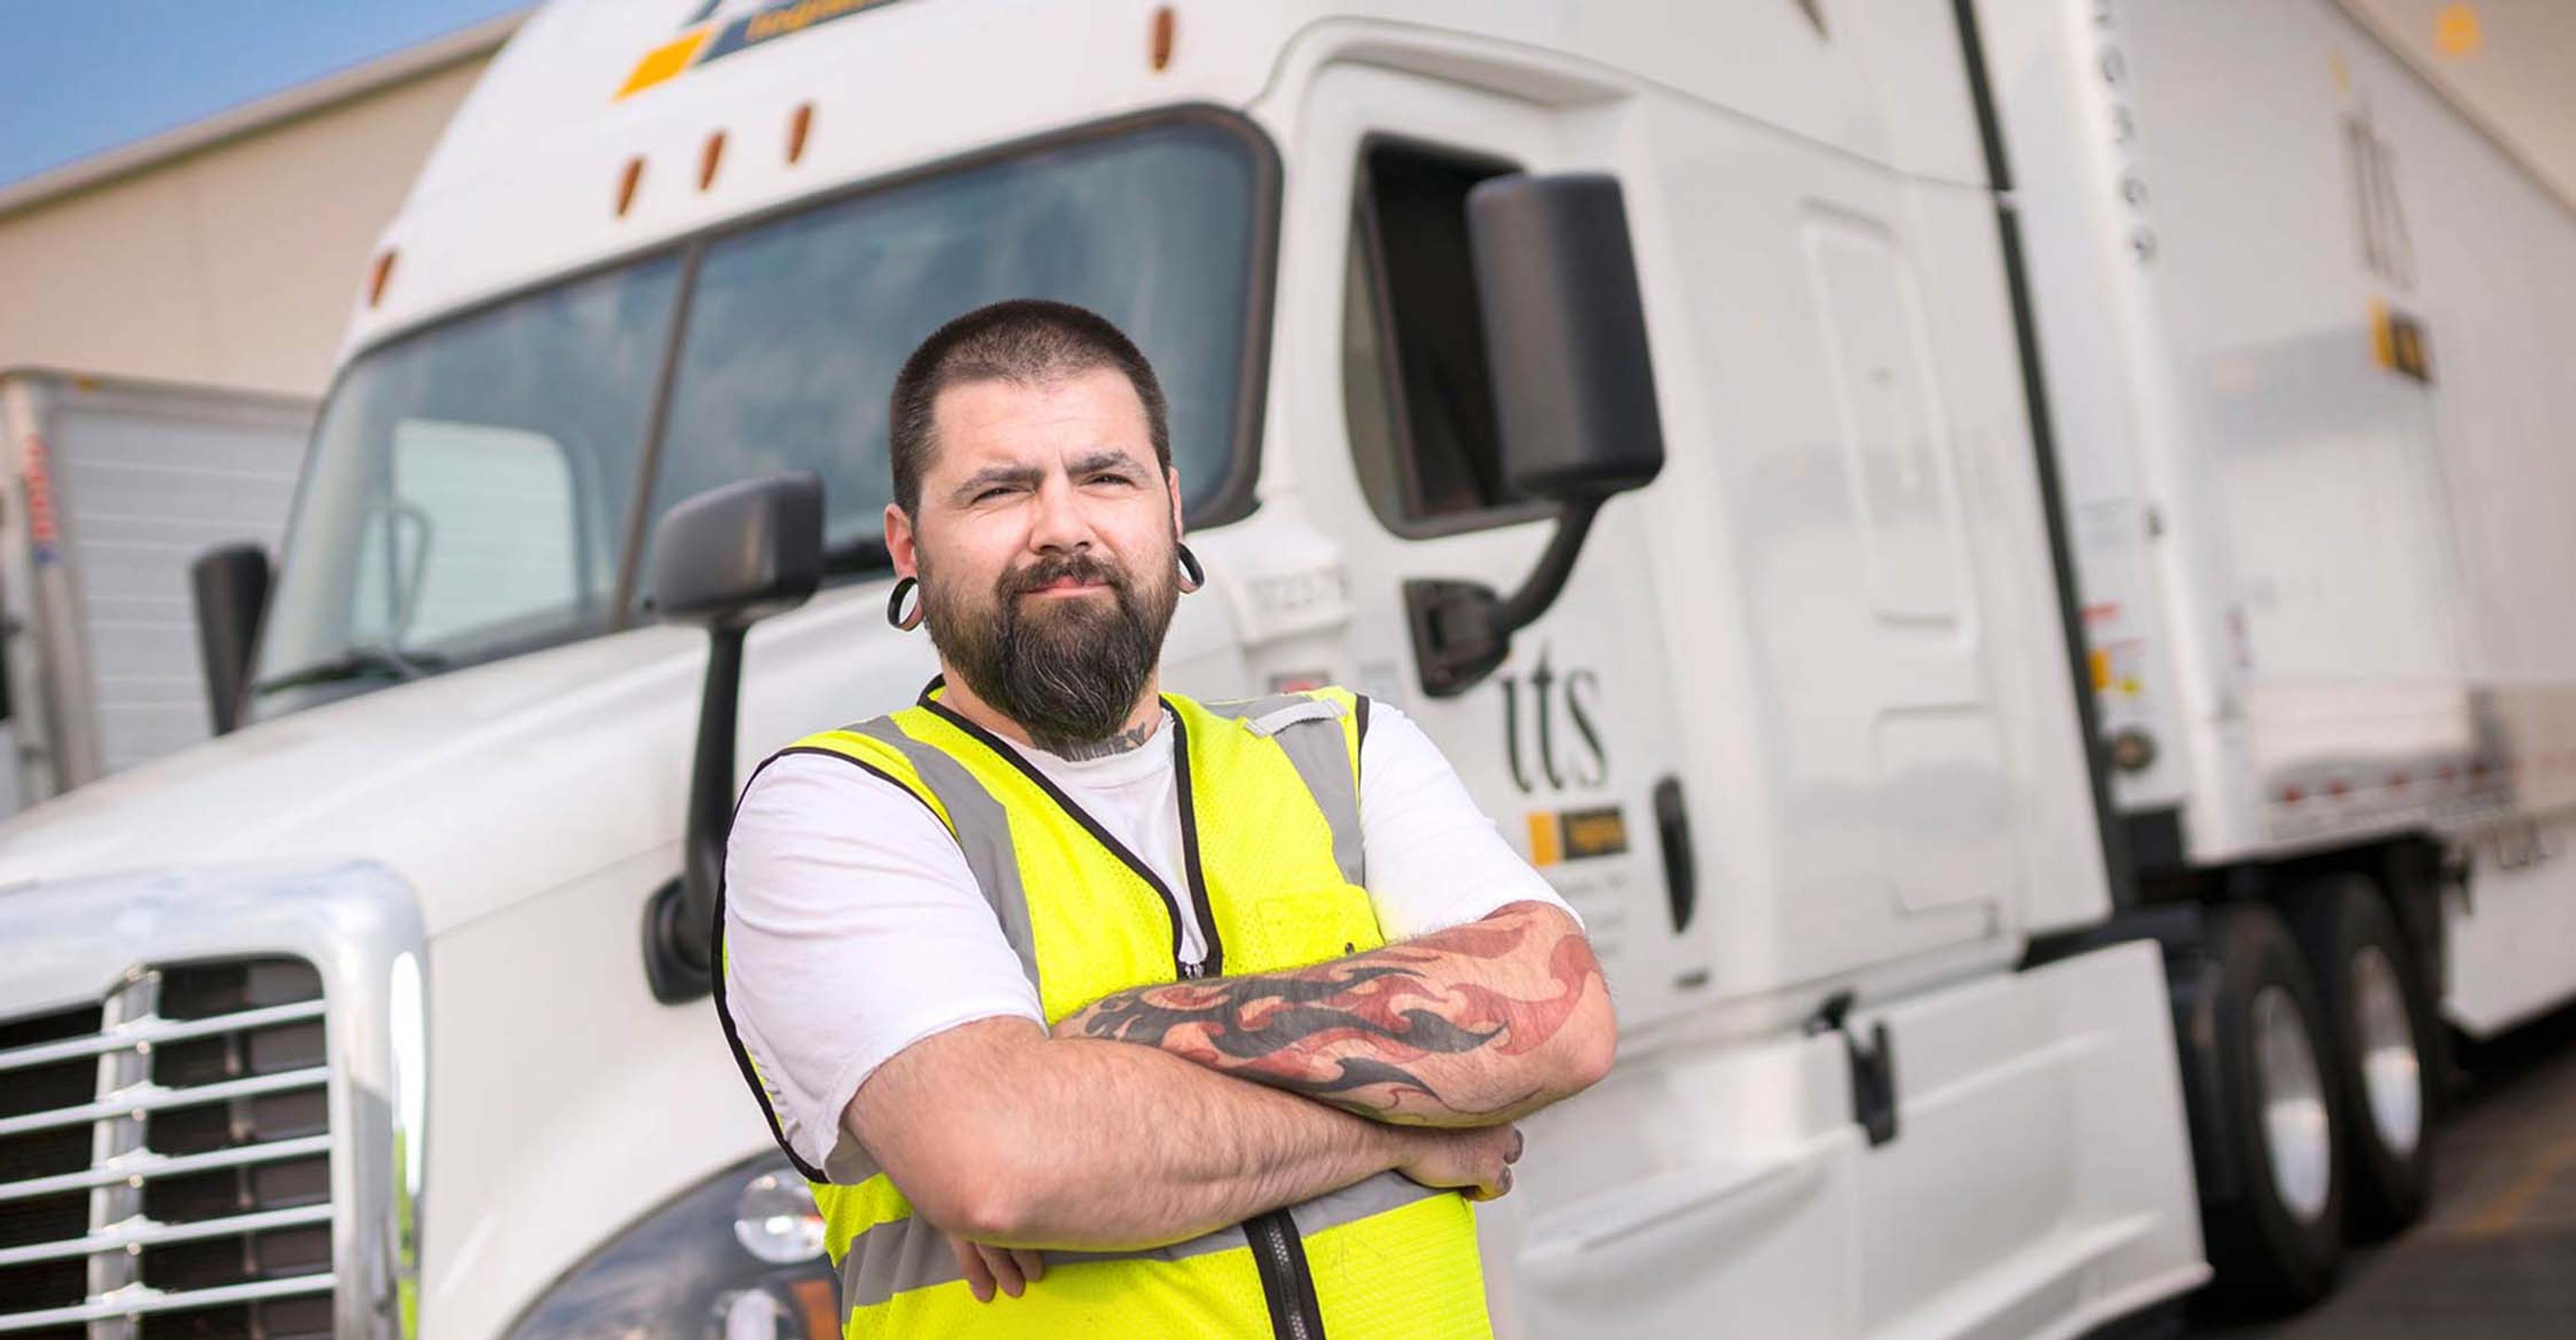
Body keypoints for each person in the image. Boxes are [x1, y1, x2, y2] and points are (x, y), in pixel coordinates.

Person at [716, 298, 1617, 1339]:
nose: (1062, 526)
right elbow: (1002, 1162)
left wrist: (1097, 1046)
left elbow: (1565, 1018)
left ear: (1173, 511)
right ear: (907, 548)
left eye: (1106, 477)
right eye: (1000, 489)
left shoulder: (1343, 749)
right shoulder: (838, 807)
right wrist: (1400, 1121)